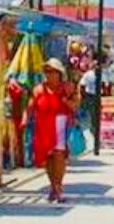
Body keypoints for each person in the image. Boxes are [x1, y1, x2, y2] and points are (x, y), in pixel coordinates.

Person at [26, 58, 78, 203]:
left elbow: (75, 106)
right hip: (43, 125)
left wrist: (66, 101)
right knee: (48, 158)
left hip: (60, 123)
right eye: (46, 71)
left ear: (59, 73)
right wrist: (25, 119)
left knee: (59, 155)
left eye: (51, 71)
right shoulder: (39, 89)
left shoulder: (67, 88)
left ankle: (58, 187)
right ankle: (53, 187)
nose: (48, 74)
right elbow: (31, 106)